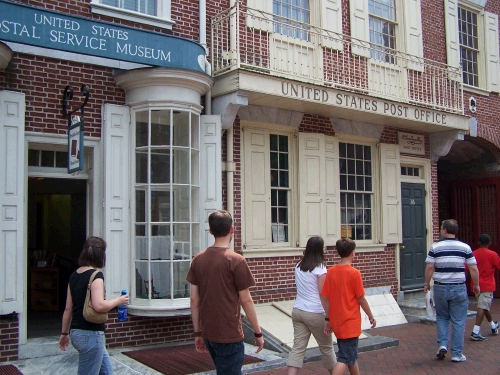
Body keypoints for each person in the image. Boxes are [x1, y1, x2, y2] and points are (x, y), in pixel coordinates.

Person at [186, 210, 264, 375]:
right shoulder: (237, 261)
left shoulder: (197, 260)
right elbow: (246, 300)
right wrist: (257, 332)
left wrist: (197, 332)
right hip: (229, 333)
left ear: (211, 231)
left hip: (208, 332)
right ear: (232, 230)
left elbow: (194, 300)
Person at [58, 237, 129, 375]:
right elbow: (99, 306)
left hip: (76, 333)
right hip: (91, 334)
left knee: (107, 372)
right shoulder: (96, 276)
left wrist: (64, 333)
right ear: (101, 256)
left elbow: (68, 309)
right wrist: (118, 301)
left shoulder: (74, 276)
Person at [424, 219, 480, 363]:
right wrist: (476, 285)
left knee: (442, 317)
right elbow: (473, 267)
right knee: (458, 320)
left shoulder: (435, 247)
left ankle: (442, 344)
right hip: (458, 287)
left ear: (444, 230)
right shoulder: (465, 247)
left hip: (441, 286)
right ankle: (456, 353)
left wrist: (426, 284)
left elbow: (430, 267)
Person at [321, 238, 376, 375]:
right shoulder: (354, 273)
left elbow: (325, 297)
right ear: (353, 253)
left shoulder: (331, 272)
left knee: (350, 355)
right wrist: (370, 315)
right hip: (350, 322)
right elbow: (361, 298)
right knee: (345, 358)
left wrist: (328, 319)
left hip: (337, 320)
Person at [287, 236, 337, 375]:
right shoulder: (320, 268)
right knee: (326, 347)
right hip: (315, 312)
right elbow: (323, 294)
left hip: (298, 310)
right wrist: (328, 317)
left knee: (298, 348)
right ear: (320, 249)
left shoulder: (298, 265)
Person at [469, 234, 500, 341]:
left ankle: (493, 326)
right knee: (482, 307)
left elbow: (467, 268)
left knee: (484, 305)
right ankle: (475, 331)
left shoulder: (473, 254)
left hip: (476, 285)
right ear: (489, 243)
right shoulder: (493, 254)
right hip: (487, 285)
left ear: (479, 242)